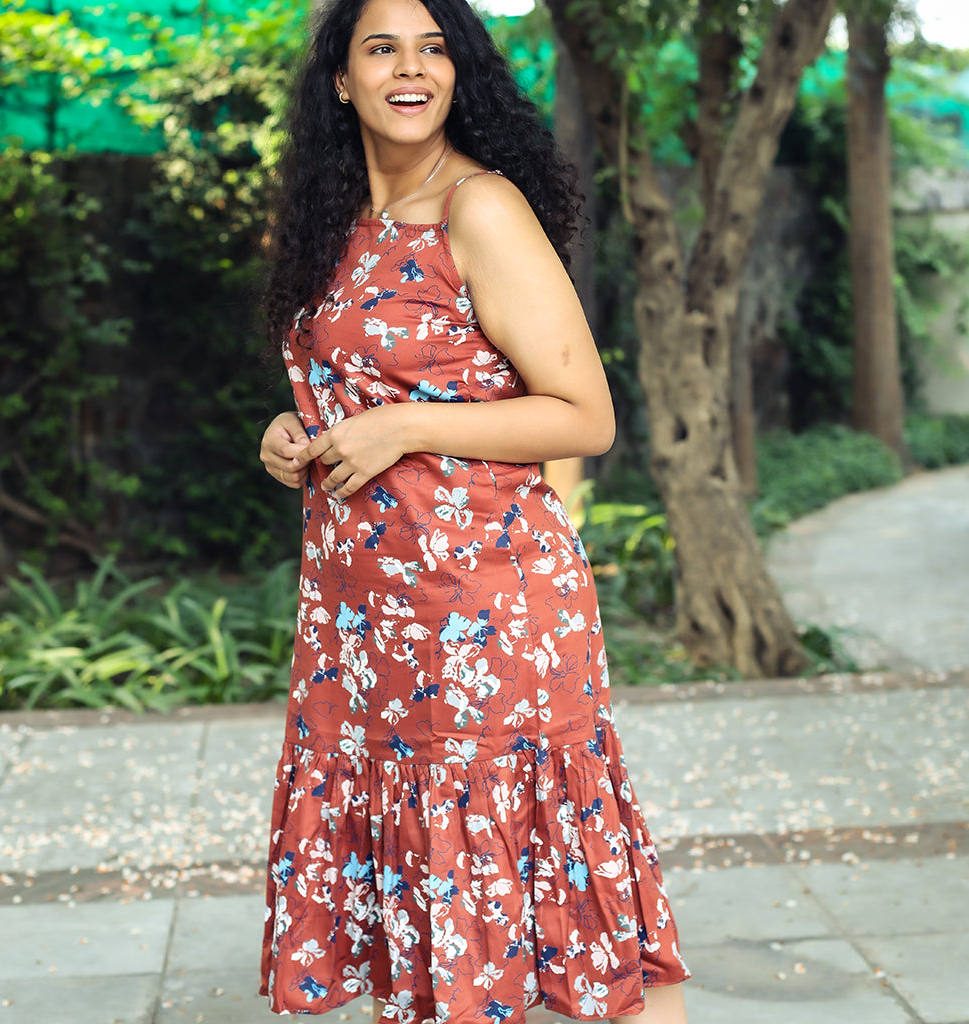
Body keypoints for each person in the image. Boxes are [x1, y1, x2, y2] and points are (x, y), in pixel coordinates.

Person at [257, 1, 690, 1021]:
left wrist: (402, 423)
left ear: (460, 75)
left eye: (434, 48)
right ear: (340, 80)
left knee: (571, 912)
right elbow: (358, 386)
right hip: (362, 630)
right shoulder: (331, 224)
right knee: (420, 914)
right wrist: (292, 433)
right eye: (382, 48)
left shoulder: (480, 209)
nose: (411, 69)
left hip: (486, 611)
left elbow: (584, 415)